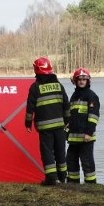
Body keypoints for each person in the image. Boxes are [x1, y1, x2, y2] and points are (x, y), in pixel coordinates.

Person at [24, 57, 70, 185]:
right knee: (60, 151)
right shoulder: (58, 85)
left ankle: (51, 179)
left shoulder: (35, 87)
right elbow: (66, 105)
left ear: (36, 70)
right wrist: (66, 121)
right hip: (60, 126)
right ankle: (62, 178)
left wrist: (28, 123)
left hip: (45, 128)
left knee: (47, 152)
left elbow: (30, 108)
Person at [66, 67, 100, 184]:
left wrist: (89, 133)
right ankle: (73, 183)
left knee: (87, 161)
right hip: (74, 136)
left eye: (84, 79)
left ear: (88, 81)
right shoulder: (74, 96)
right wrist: (66, 132)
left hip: (86, 137)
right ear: (75, 81)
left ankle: (91, 185)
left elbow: (93, 117)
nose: (81, 81)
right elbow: (71, 117)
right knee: (70, 160)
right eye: (79, 79)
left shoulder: (91, 96)